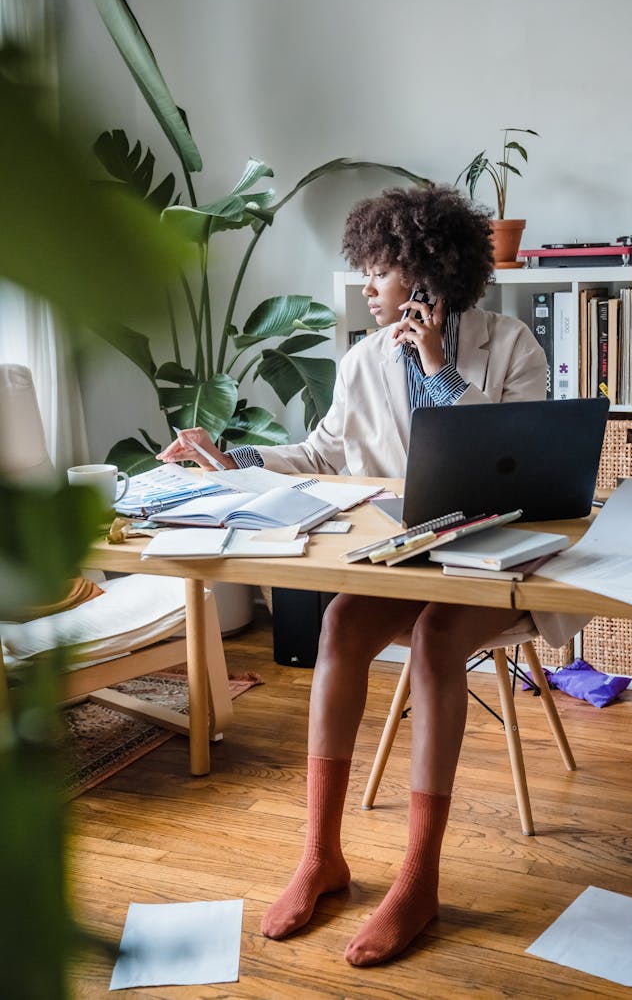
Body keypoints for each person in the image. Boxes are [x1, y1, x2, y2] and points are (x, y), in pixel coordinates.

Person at [158, 184, 556, 967]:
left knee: (440, 637)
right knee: (340, 619)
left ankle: (419, 878)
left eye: (379, 271)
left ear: (425, 274)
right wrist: (233, 457)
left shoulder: (512, 346)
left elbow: (515, 462)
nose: (367, 286)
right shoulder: (363, 361)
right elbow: (320, 453)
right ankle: (321, 856)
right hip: (406, 553)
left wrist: (440, 369)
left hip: (495, 555)